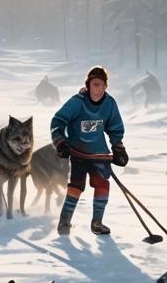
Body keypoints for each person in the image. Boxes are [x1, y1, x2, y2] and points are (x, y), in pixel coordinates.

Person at [50, 66, 128, 236]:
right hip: (78, 153)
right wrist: (60, 142)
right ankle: (64, 223)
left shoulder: (109, 104)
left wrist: (118, 148)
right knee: (77, 186)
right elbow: (57, 122)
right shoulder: (77, 102)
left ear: (106, 86)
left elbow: (114, 128)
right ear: (88, 85)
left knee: (102, 184)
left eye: (102, 86)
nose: (98, 90)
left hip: (99, 154)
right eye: (95, 85)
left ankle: (97, 223)